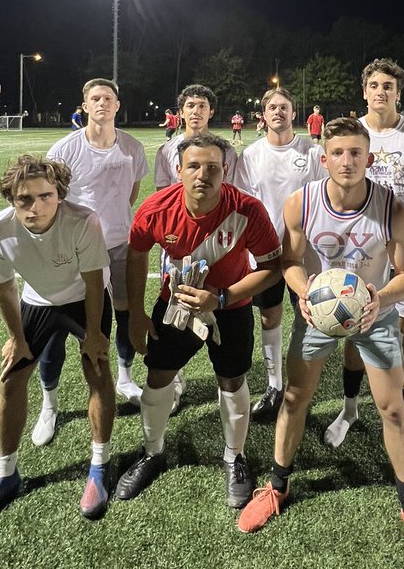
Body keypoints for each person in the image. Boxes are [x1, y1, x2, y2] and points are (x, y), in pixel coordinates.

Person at [237, 118, 404, 569]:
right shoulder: (302, 202)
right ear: (324, 158)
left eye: (356, 153)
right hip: (319, 314)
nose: (347, 161)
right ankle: (277, 486)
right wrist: (303, 294)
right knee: (295, 397)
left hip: (375, 313)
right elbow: (288, 260)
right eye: (338, 153)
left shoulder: (394, 210)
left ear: (369, 159)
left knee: (392, 409)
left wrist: (379, 298)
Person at [115, 132, 281, 509]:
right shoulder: (156, 208)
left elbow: (272, 268)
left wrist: (222, 296)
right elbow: (137, 254)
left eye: (212, 168)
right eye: (193, 166)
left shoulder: (248, 210)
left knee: (232, 379)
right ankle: (153, 453)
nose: (202, 175)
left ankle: (233, 457)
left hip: (231, 308)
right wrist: (137, 314)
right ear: (178, 170)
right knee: (157, 377)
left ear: (226, 171)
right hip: (175, 306)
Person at [0, 155, 114, 532]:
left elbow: (94, 282)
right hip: (37, 301)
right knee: (11, 378)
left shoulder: (83, 220)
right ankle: (5, 475)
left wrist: (94, 335)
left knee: (96, 368)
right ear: (9, 198)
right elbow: (5, 288)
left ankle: (99, 466)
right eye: (23, 199)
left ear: (60, 194)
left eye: (45, 196)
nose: (35, 207)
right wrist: (15, 337)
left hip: (83, 298)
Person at [324, 58, 404, 450]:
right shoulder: (351, 134)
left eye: (388, 86)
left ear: (398, 92)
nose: (381, 91)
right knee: (352, 329)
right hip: (359, 253)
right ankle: (350, 409)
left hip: (403, 255)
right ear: (364, 91)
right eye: (374, 85)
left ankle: (400, 416)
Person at [29, 79, 149, 448]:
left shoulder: (131, 147)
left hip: (119, 244)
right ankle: (49, 404)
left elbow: (131, 192)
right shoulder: (64, 149)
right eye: (95, 98)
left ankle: (125, 376)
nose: (102, 104)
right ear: (84, 105)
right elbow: (53, 198)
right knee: (57, 324)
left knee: (124, 313)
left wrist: (114, 222)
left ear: (117, 105)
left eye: (108, 99)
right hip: (76, 249)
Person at [234, 86, 324, 421]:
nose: (278, 112)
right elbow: (245, 205)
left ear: (293, 112)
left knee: (308, 317)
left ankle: (301, 387)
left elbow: (323, 198)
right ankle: (274, 385)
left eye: (283, 107)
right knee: (269, 317)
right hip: (266, 253)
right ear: (263, 115)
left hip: (305, 252)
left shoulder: (312, 152)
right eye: (272, 107)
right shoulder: (251, 155)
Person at [152, 84, 238, 412]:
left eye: (202, 105)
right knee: (176, 311)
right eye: (190, 105)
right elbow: (163, 198)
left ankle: (227, 378)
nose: (196, 111)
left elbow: (231, 196)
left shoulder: (227, 150)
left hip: (217, 242)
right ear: (182, 111)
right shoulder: (167, 151)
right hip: (179, 242)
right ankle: (175, 379)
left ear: (211, 112)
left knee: (222, 309)